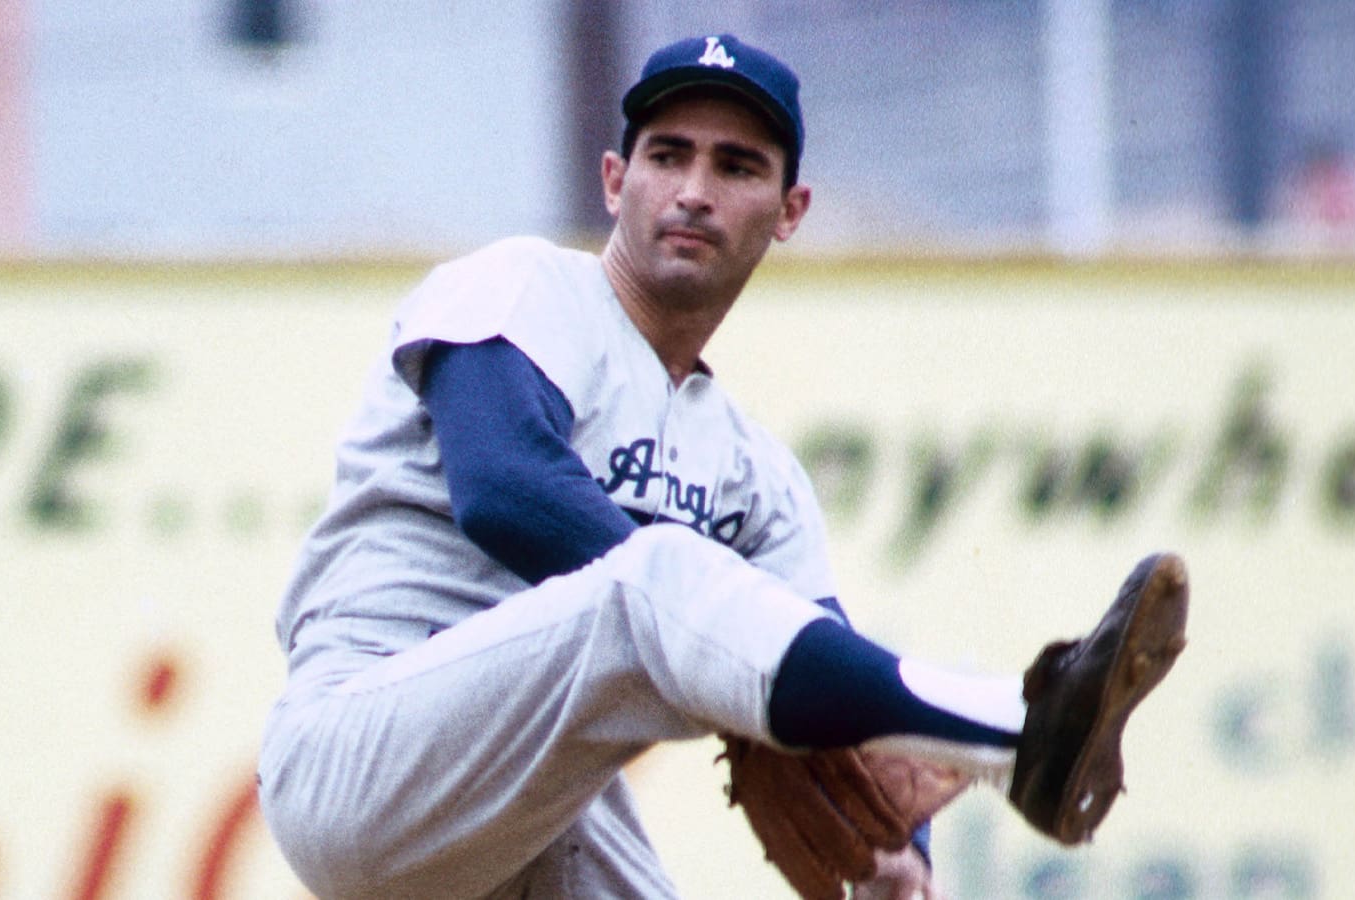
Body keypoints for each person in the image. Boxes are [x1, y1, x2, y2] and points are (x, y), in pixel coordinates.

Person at [257, 33, 1188, 900]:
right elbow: (505, 492)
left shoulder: (755, 475)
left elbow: (827, 668)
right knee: (655, 576)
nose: (694, 189)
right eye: (669, 155)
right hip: (362, 753)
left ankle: (1005, 742)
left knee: (694, 608)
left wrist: (896, 858)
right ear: (616, 179)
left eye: (736, 165)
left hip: (537, 810)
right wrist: (737, 696)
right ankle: (1022, 729)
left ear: (790, 212)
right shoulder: (523, 287)